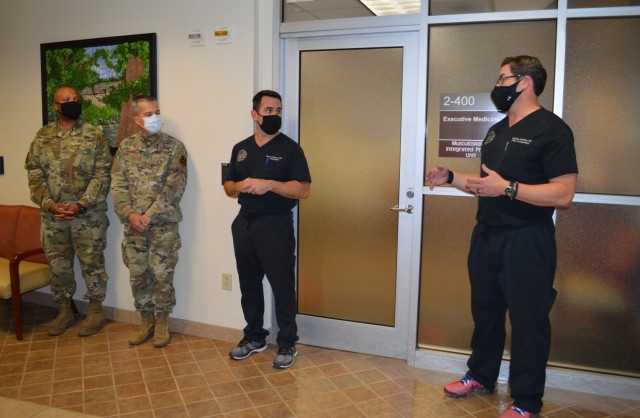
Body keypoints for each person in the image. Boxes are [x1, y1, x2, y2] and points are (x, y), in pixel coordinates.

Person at [426, 56, 578, 418]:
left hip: (527, 240)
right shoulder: (497, 131)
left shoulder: (552, 130)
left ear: (524, 82)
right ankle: (481, 375)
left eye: (503, 78)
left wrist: (508, 188)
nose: (498, 85)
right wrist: (450, 177)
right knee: (487, 313)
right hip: (487, 236)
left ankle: (526, 401)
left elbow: (563, 194)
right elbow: (485, 186)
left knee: (528, 321)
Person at [224, 90, 311, 369]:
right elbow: (228, 186)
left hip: (276, 225)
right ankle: (254, 337)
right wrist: (239, 186)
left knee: (282, 285)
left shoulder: (290, 149)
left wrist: (270, 184)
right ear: (254, 115)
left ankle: (287, 343)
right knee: (249, 284)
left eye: (279, 110)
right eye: (269, 111)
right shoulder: (240, 148)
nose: (275, 116)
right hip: (245, 222)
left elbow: (304, 190)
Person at [25, 86, 112, 337]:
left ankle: (96, 311)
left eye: (75, 99)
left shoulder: (94, 134)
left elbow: (102, 174)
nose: (72, 103)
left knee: (92, 264)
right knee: (59, 266)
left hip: (88, 217)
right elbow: (34, 173)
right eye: (66, 100)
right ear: (55, 106)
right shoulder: (42, 136)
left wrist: (81, 204)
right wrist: (49, 204)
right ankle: (64, 310)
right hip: (53, 217)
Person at [110, 95, 187, 348]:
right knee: (138, 274)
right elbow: (118, 184)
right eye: (148, 114)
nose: (155, 117)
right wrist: (130, 214)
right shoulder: (125, 147)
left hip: (162, 225)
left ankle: (162, 322)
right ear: (136, 119)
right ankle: (146, 321)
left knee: (162, 274)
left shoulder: (175, 147)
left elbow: (174, 187)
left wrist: (149, 215)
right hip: (133, 226)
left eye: (157, 111)